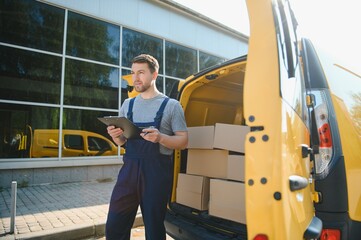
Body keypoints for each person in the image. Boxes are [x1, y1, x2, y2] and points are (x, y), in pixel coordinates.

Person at [105, 54, 188, 240]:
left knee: (154, 229)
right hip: (128, 173)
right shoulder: (128, 104)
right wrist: (116, 137)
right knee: (114, 225)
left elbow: (183, 141)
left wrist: (161, 138)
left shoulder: (171, 106)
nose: (136, 78)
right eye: (133, 73)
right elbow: (123, 143)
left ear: (154, 74)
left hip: (156, 175)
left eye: (141, 72)